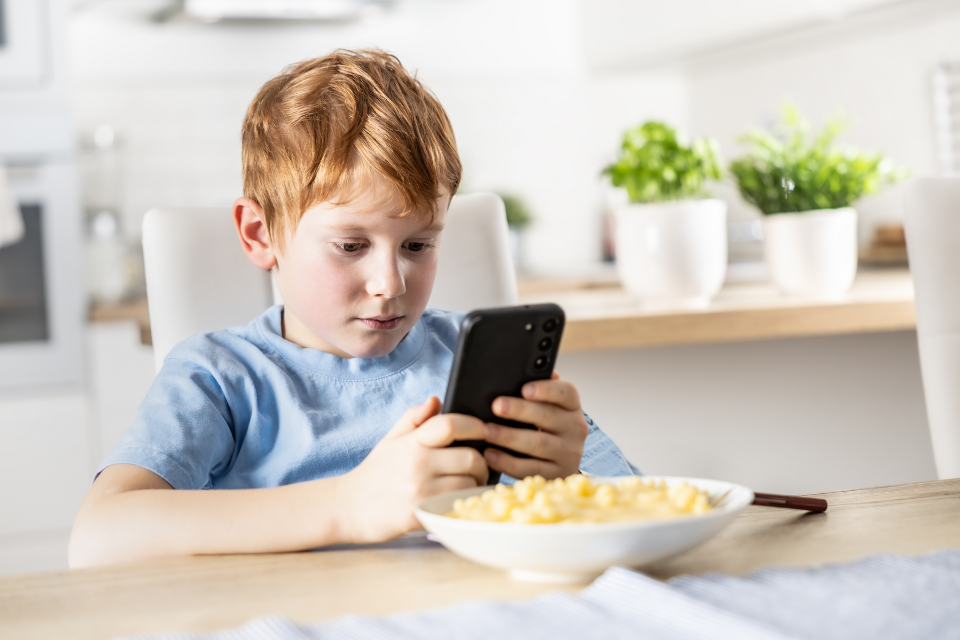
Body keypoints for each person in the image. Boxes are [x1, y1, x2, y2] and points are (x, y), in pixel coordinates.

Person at [68, 50, 638, 568]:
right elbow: (97, 537)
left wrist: (571, 478)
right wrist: (348, 505)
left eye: (418, 245)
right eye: (350, 245)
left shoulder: (475, 358)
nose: (390, 284)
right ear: (260, 233)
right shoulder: (219, 377)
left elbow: (639, 508)